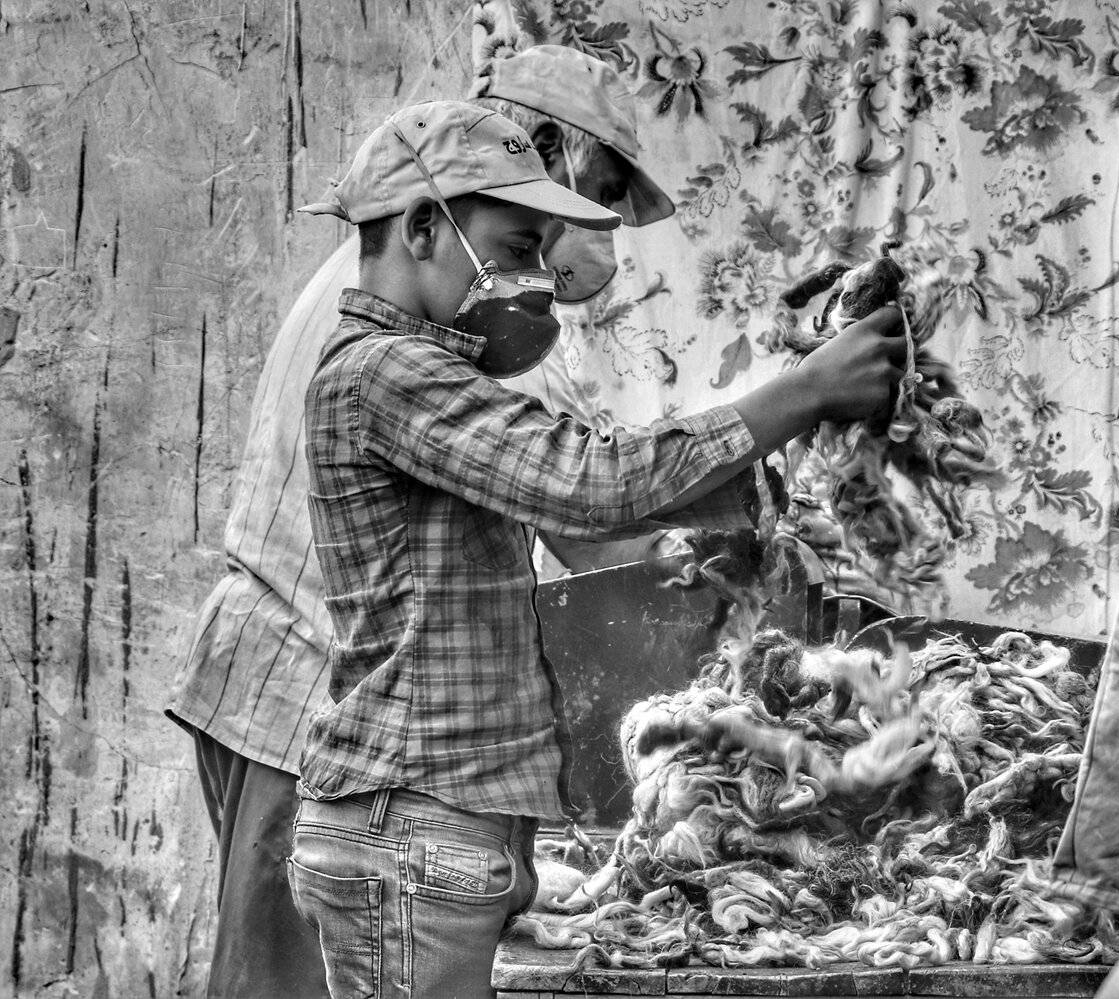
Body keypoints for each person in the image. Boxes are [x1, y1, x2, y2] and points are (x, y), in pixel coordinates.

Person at [285, 99, 905, 998]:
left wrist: (747, 504)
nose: (536, 278)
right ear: (423, 228)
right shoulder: (385, 372)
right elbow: (591, 479)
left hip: (442, 825)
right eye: (515, 248)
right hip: (410, 824)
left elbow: (585, 510)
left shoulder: (437, 378)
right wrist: (804, 394)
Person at [166, 47, 697, 999]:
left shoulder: (383, 272)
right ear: (541, 152)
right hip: (321, 710)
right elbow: (588, 513)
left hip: (266, 672)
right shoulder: (469, 322)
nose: (602, 228)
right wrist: (703, 543)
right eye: (605, 190)